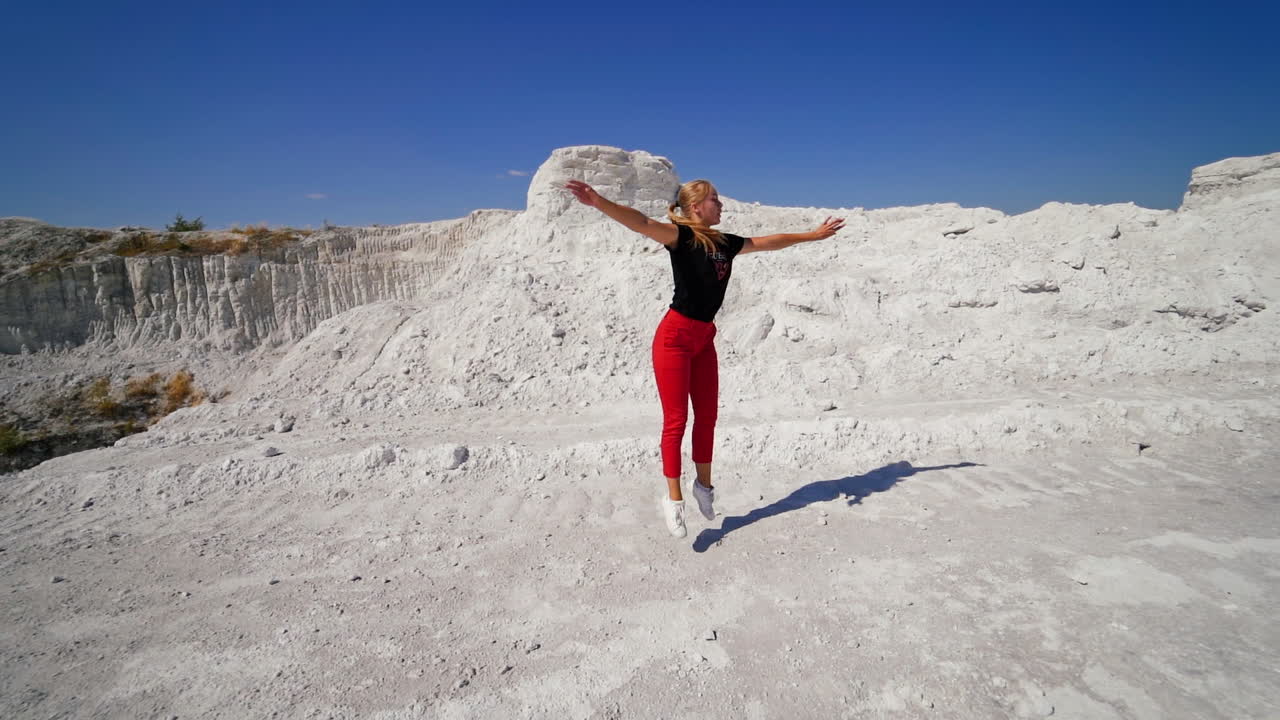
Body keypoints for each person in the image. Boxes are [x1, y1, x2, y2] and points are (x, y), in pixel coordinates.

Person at [564, 178, 844, 538]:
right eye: (714, 199)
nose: (720, 204)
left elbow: (769, 242)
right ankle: (674, 501)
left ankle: (703, 488)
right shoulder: (681, 238)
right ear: (696, 207)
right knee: (676, 420)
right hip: (674, 338)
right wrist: (599, 202)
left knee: (708, 416)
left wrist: (812, 236)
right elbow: (642, 223)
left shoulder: (726, 243)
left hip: (703, 339)